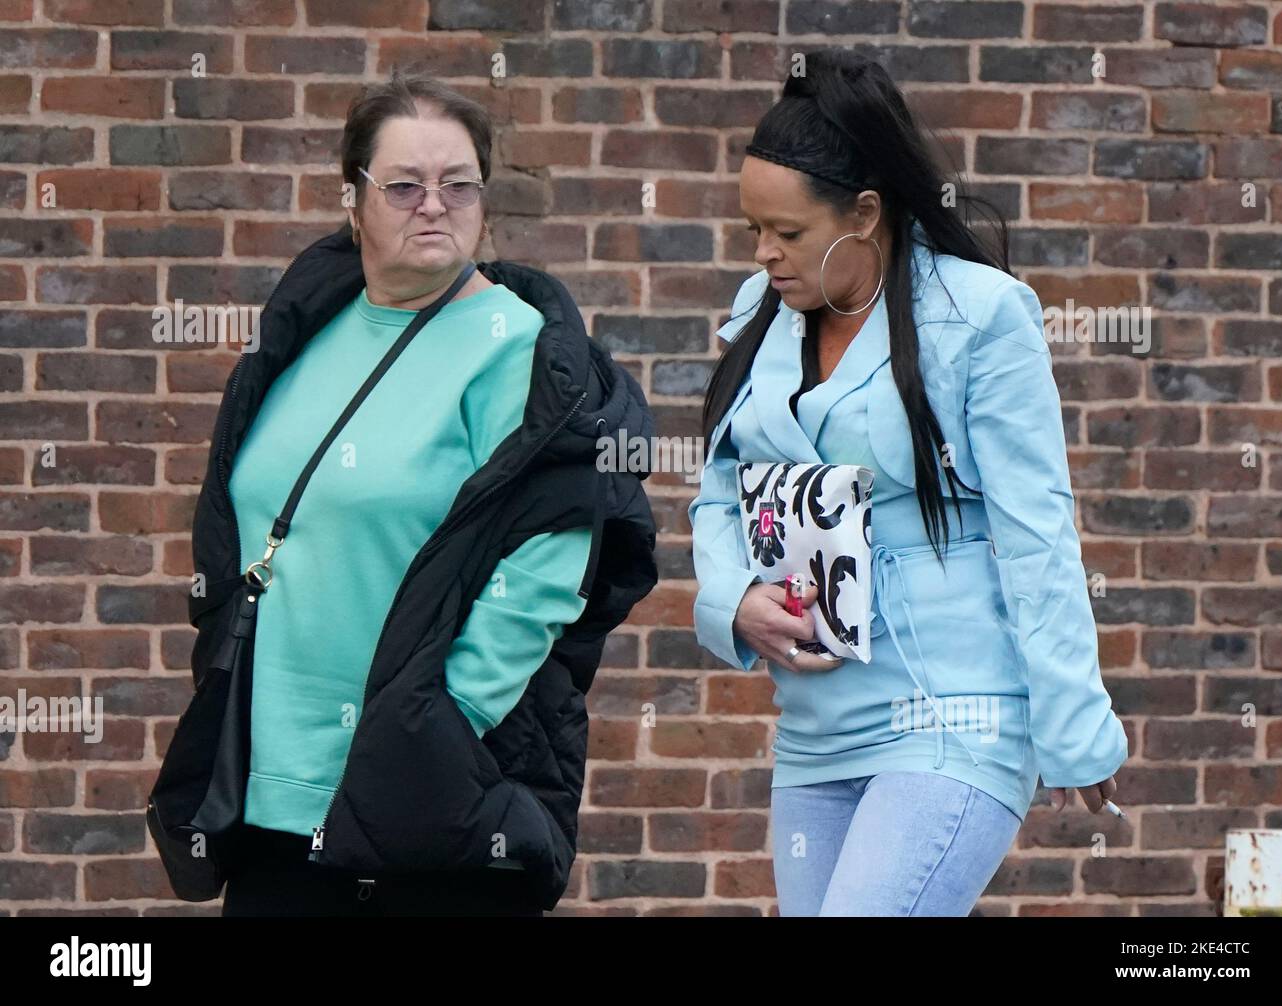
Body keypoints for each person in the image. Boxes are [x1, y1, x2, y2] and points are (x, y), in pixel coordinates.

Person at [181, 67, 657, 916]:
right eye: (403, 185)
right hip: (267, 797)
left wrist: (440, 727)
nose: (433, 205)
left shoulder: (514, 349)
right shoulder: (309, 330)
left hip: (417, 807)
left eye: (458, 185)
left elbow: (552, 553)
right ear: (352, 200)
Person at [689, 51, 1128, 917]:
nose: (767, 253)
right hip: (814, 732)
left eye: (789, 233)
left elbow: (1036, 528)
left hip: (953, 720)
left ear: (865, 212)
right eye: (754, 231)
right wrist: (730, 598)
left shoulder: (980, 316)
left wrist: (1074, 725)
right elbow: (720, 491)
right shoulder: (761, 320)